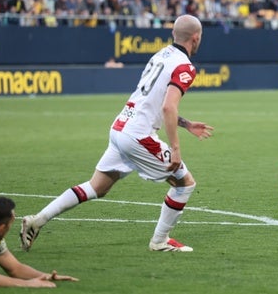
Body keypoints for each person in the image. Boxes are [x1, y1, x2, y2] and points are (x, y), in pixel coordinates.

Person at [20, 15, 214, 253]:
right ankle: (160, 241)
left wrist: (186, 124)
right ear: (196, 38)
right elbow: (167, 107)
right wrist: (175, 147)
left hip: (121, 127)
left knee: (96, 187)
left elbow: (151, 102)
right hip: (139, 136)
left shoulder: (160, 56)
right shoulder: (185, 66)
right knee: (184, 183)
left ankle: (37, 220)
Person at [0, 196, 79, 288]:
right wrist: (26, 283)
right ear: (1, 229)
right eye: (10, 224)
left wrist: (45, 276)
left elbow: (15, 269)